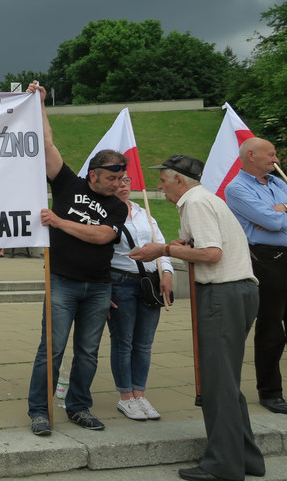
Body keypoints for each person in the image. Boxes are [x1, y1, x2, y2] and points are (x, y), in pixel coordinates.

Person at [130, 154, 264, 481]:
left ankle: (223, 465)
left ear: (179, 181)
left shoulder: (196, 203)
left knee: (218, 382)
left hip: (224, 293)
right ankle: (245, 457)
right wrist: (181, 247)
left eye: (163, 181)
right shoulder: (204, 200)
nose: (159, 187)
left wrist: (163, 250)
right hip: (235, 291)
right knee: (225, 381)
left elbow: (211, 254)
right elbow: (207, 248)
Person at [25, 81, 128, 437]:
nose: (119, 184)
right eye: (113, 178)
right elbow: (47, 143)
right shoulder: (68, 183)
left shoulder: (118, 207)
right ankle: (39, 410)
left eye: (121, 178)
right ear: (94, 174)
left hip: (99, 287)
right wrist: (38, 103)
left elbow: (102, 235)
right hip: (62, 282)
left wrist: (59, 222)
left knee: (88, 352)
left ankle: (79, 407)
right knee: (51, 350)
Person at [223, 138, 287, 415]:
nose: (276, 159)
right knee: (271, 328)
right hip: (267, 261)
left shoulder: (277, 184)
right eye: (271, 154)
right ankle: (270, 391)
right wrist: (275, 215)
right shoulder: (236, 188)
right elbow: (271, 223)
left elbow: (272, 219)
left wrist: (276, 212)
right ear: (251, 155)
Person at [106, 175, 173, 421]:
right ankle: (126, 397)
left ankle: (140, 393)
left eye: (126, 180)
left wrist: (166, 271)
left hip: (149, 283)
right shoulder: (103, 213)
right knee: (123, 342)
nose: (123, 184)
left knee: (144, 343)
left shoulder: (143, 211)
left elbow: (160, 243)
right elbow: (97, 253)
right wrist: (103, 290)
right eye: (118, 180)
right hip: (119, 283)